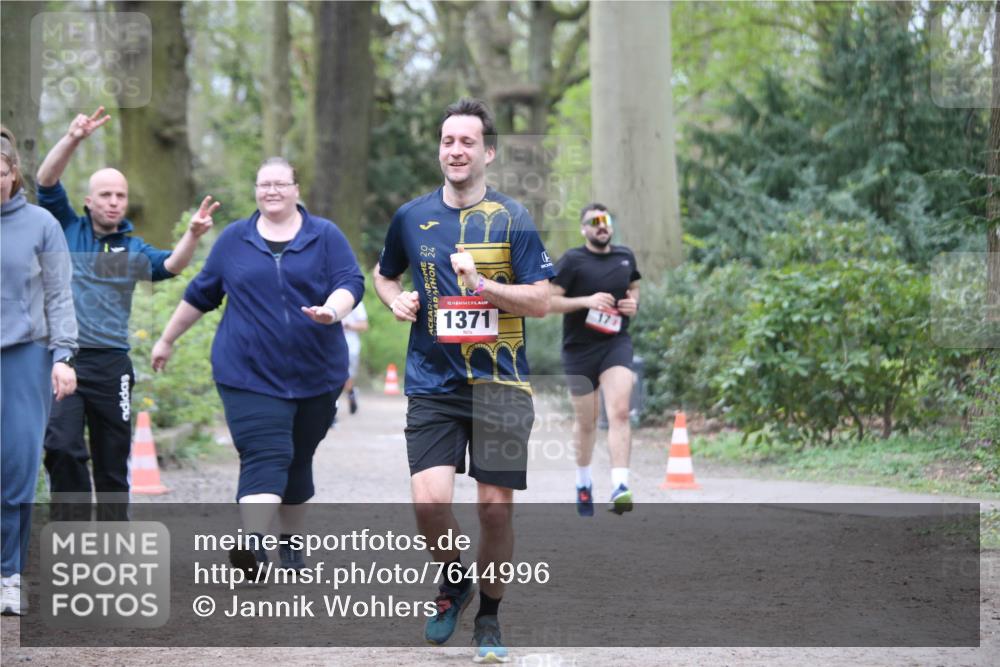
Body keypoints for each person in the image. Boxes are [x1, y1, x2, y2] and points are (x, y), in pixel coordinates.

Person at [374, 98, 553, 663]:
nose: (456, 149)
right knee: (429, 505)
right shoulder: (411, 216)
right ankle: (456, 580)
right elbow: (384, 276)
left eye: (467, 142)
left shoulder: (514, 218)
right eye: (448, 141)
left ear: (488, 152)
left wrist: (486, 288)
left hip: (501, 383)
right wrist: (396, 299)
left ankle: (490, 617)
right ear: (440, 149)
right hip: (433, 382)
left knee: (495, 508)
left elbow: (542, 301)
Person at [152, 156, 364, 572]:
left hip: (317, 373)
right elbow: (201, 294)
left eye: (280, 184)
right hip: (247, 372)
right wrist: (165, 339)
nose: (271, 191)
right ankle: (251, 542)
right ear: (255, 190)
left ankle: (290, 541)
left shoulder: (325, 236)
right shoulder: (235, 240)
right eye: (264, 184)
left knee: (299, 458)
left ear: (296, 189)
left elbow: (350, 282)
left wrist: (331, 311)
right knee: (265, 452)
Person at [36, 107, 215, 521]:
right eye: (105, 195)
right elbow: (46, 180)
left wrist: (191, 235)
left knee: (112, 459)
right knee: (62, 447)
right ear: (88, 200)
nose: (114, 202)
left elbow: (172, 267)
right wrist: (73, 138)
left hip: (112, 364)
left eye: (120, 195)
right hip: (66, 359)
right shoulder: (65, 227)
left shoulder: (133, 249)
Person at [1, 126, 78, 615]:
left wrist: (63, 355)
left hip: (23, 358)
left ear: (13, 174)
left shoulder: (41, 223)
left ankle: (8, 573)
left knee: (16, 467)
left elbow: (58, 293)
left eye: (0, 171)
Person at [549, 204, 641, 516]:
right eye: (594, 222)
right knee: (587, 422)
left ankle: (620, 485)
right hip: (579, 349)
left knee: (620, 412)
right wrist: (586, 301)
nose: (602, 226)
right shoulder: (574, 260)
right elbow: (548, 301)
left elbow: (634, 287)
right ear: (584, 229)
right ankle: (583, 481)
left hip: (616, 343)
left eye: (606, 221)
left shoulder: (625, 256)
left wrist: (632, 305)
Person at [340, 301, 369, 414]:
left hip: (351, 346)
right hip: (331, 346)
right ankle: (333, 406)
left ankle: (350, 394)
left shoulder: (356, 302)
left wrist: (348, 325)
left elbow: (364, 325)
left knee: (348, 376)